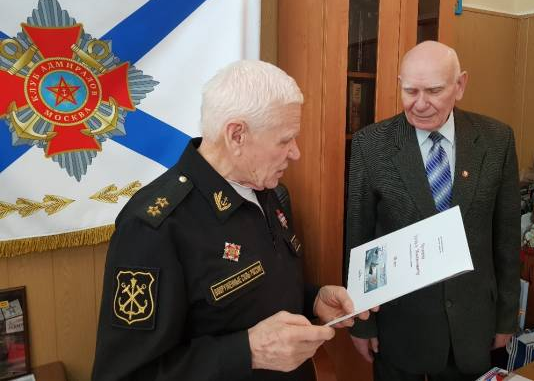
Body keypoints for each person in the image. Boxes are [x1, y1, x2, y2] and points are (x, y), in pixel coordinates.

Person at [92, 60, 367, 381]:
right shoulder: (155, 227)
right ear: (237, 135)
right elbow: (127, 375)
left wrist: (313, 299)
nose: (295, 153)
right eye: (284, 140)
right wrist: (248, 352)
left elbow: (254, 293)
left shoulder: (267, 189)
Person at [345, 41, 520, 380]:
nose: (420, 103)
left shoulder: (496, 140)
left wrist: (506, 318)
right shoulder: (372, 144)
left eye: (434, 91)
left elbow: (507, 239)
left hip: (472, 326)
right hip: (400, 326)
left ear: (460, 85)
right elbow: (360, 240)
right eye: (410, 91)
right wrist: (362, 324)